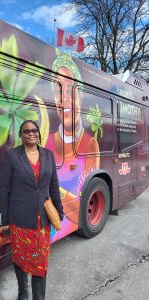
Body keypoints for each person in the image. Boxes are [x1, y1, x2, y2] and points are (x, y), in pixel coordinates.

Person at [0, 120, 63, 300]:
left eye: (34, 130)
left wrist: (59, 211)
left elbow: (53, 185)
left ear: (38, 133)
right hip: (19, 219)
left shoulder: (48, 155)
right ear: (20, 134)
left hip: (42, 219)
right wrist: (5, 220)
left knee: (40, 262)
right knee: (20, 258)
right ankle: (23, 292)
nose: (31, 133)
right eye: (26, 131)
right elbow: (5, 189)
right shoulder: (12, 156)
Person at [46, 49, 100, 242]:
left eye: (71, 90)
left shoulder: (91, 144)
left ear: (81, 97)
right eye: (58, 90)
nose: (65, 98)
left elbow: (80, 208)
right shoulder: (46, 140)